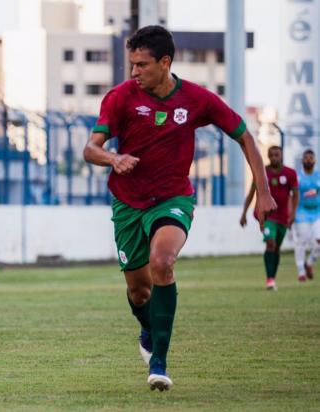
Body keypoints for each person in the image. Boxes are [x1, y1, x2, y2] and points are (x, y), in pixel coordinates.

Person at [83, 26, 275, 391]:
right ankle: (147, 329)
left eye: (142, 65)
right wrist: (113, 157)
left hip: (173, 199)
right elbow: (90, 148)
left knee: (163, 262)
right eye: (132, 64)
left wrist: (263, 193)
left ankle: (159, 361)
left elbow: (245, 136)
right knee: (139, 292)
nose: (134, 72)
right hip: (127, 203)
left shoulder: (197, 99)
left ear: (165, 62)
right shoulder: (120, 98)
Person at [240, 146, 298, 290]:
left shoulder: (290, 173)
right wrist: (244, 213)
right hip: (267, 215)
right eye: (271, 155)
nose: (274, 158)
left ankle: (273, 276)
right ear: (268, 156)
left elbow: (295, 195)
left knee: (277, 248)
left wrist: (293, 214)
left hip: (283, 217)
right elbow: (252, 192)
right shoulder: (262, 172)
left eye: (276, 155)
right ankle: (270, 280)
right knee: (270, 243)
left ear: (281, 155)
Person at [292, 149, 320, 282]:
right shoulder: (297, 177)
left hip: (317, 214)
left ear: (314, 161)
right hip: (301, 213)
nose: (309, 160)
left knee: (318, 242)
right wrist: (291, 214)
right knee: (301, 242)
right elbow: (292, 197)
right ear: (302, 160)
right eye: (306, 158)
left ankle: (309, 262)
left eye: (311, 158)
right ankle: (301, 272)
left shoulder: (319, 176)